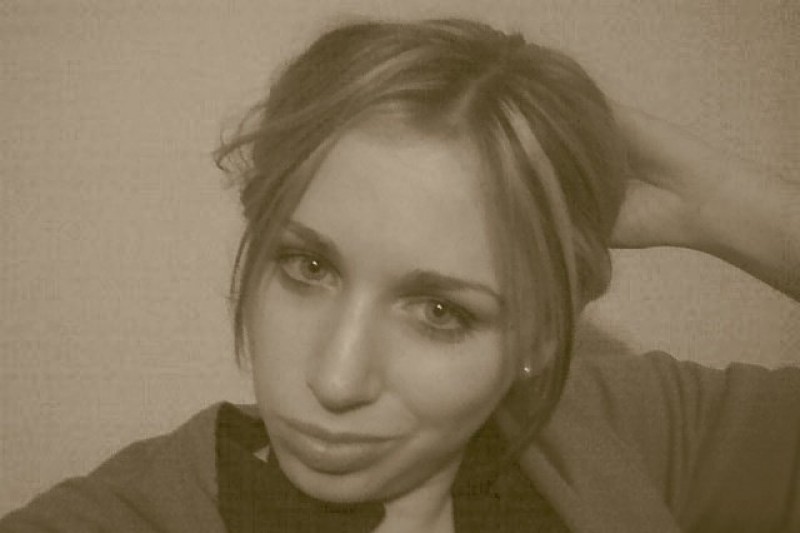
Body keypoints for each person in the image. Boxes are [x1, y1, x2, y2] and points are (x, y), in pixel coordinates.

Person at [1, 17, 798, 533]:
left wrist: (715, 203)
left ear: (539, 335)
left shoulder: (616, 431)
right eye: (308, 265)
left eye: (441, 311)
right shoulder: (124, 517)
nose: (336, 379)